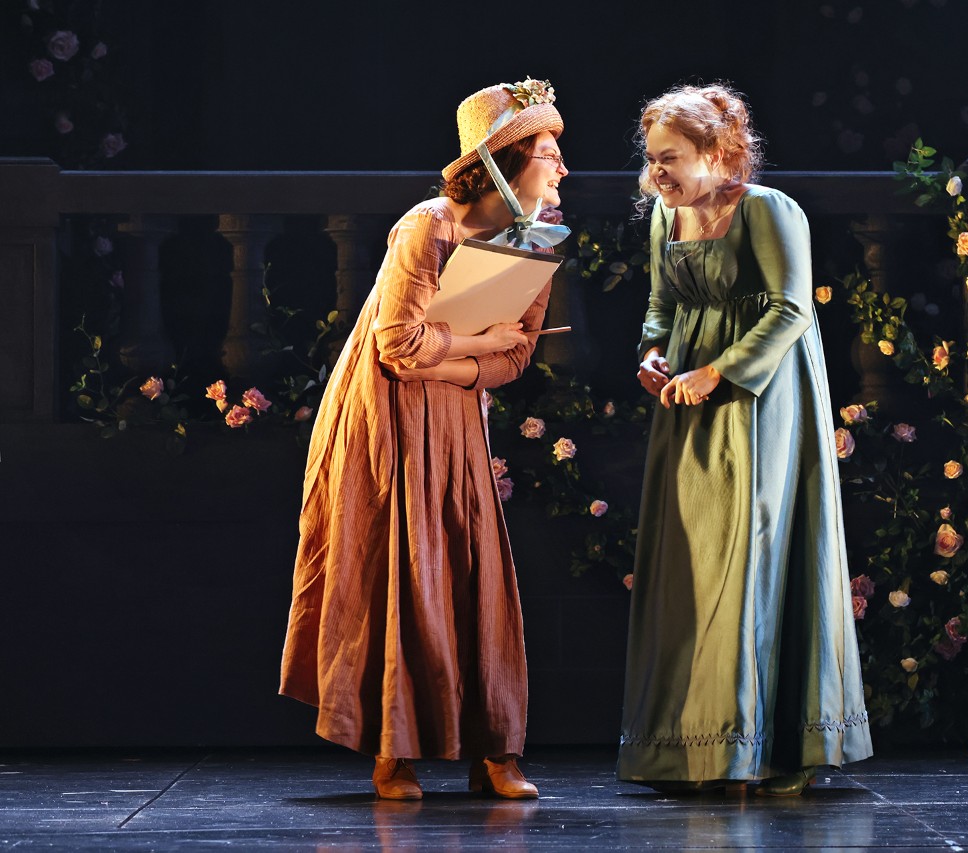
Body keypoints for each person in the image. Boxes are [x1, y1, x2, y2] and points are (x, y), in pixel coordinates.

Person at [279, 79, 570, 801]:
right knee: (398, 563)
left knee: (473, 564)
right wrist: (475, 341)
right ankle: (393, 748)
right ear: (502, 162)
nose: (563, 168)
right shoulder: (428, 225)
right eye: (547, 153)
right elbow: (396, 345)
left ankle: (495, 749)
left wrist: (464, 361)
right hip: (388, 412)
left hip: (455, 411)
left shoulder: (534, 238)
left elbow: (517, 355)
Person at [618, 83, 873, 796]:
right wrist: (653, 353)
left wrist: (719, 372)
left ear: (716, 151)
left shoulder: (767, 210)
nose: (657, 171)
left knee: (751, 550)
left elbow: (790, 309)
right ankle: (692, 747)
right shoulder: (666, 216)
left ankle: (754, 747)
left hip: (762, 398)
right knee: (695, 560)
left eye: (670, 157)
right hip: (687, 399)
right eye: (652, 158)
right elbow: (661, 305)